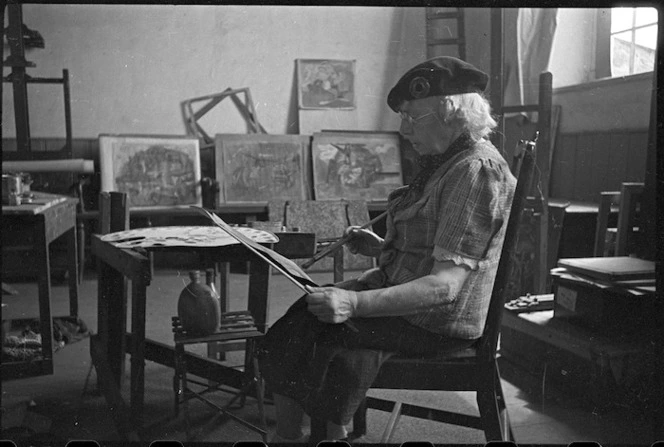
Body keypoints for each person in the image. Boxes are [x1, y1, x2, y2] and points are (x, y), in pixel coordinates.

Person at [258, 56, 517, 442]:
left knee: (314, 328)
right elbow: (433, 249)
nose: (402, 128)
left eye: (413, 117)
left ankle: (305, 434)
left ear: (452, 114)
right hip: (419, 307)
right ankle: (304, 431)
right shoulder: (448, 160)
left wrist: (354, 304)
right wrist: (382, 249)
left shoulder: (474, 171)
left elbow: (445, 287)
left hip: (436, 322)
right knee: (306, 310)